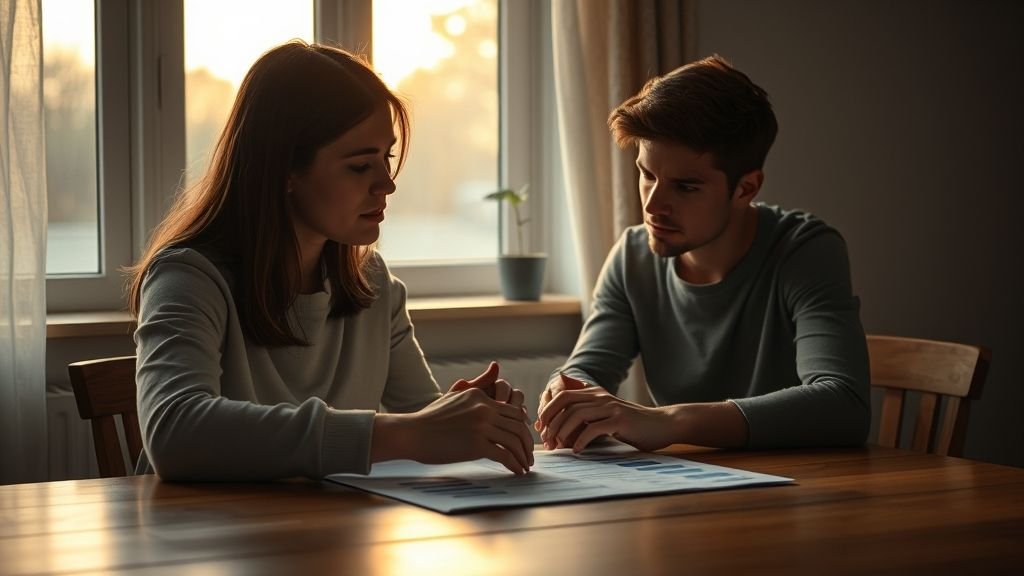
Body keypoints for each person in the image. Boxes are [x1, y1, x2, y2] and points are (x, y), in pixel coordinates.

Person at [127, 41, 534, 481]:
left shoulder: (373, 283)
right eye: (360, 166)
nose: (387, 184)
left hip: (323, 536)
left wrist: (463, 417)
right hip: (199, 541)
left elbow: (416, 416)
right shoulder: (187, 277)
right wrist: (409, 432)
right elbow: (175, 433)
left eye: (387, 157)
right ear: (285, 170)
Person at [536, 55, 870, 453]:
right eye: (647, 175)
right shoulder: (632, 257)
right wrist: (570, 392)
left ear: (746, 189)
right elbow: (587, 369)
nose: (653, 205)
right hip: (690, 490)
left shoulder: (805, 250)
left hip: (799, 492)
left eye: (686, 187)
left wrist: (670, 421)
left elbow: (844, 404)